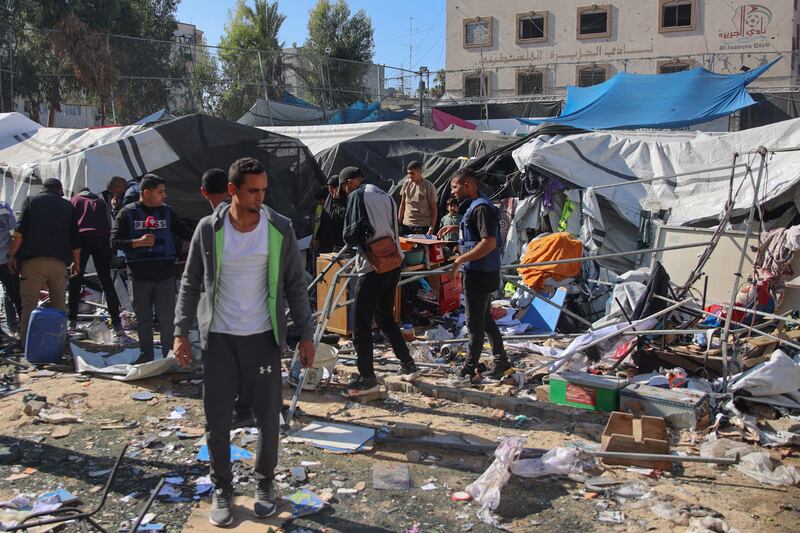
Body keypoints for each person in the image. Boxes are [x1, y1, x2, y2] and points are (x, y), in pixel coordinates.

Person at [173, 157, 315, 527]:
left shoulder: (279, 228)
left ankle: (264, 484)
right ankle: (223, 488)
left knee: (268, 417)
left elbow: (295, 285)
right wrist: (179, 332)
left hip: (263, 338)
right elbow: (190, 283)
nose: (260, 196)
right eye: (253, 190)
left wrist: (306, 333)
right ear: (232, 190)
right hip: (219, 339)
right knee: (217, 421)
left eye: (264, 190)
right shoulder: (209, 229)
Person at [340, 166, 419, 397]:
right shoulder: (384, 194)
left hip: (372, 266)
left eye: (345, 188)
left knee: (361, 324)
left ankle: (367, 377)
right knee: (385, 316)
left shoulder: (357, 195)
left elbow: (351, 233)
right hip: (393, 263)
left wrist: (355, 244)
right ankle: (408, 364)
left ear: (348, 183)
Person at [438, 168, 510, 386]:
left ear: (467, 185)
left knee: (474, 325)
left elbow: (489, 242)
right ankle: (501, 361)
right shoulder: (476, 208)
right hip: (482, 272)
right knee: (485, 321)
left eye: (455, 186)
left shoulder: (481, 208)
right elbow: (477, 234)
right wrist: (456, 226)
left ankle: (468, 372)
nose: (453, 191)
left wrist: (460, 260)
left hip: (479, 274)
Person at [111, 174, 191, 364]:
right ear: (146, 192)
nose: (164, 196)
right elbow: (114, 242)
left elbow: (185, 232)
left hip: (165, 274)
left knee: (167, 319)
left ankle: (169, 357)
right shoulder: (127, 213)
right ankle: (146, 355)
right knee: (144, 320)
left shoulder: (167, 212)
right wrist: (135, 243)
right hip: (139, 276)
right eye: (160, 192)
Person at [6, 178, 80, 348]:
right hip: (59, 264)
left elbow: (19, 233)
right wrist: (77, 263)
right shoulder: (68, 206)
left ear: (43, 189)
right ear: (60, 190)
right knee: (59, 304)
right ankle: (58, 344)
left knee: (29, 305)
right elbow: (75, 239)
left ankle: (26, 344)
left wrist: (11, 255)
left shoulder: (31, 201)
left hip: (33, 263)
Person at [67, 188, 126, 339]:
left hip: (82, 238)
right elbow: (107, 221)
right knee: (105, 281)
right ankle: (117, 324)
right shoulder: (99, 201)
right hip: (101, 239)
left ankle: (72, 320)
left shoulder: (75, 201)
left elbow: (71, 224)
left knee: (76, 278)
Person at [398, 160, 437, 236]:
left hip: (422, 227)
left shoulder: (428, 187)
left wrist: (431, 228)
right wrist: (398, 222)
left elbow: (434, 209)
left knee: (420, 248)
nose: (410, 176)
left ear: (420, 172)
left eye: (412, 173)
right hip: (406, 225)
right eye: (409, 173)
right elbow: (402, 204)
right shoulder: (407, 183)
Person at [0, 201, 21, 339]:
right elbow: (14, 233)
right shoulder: (4, 207)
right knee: (15, 295)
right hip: (5, 259)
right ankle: (23, 330)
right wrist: (13, 255)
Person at [315, 175, 347, 253]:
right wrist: (317, 237)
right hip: (325, 241)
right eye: (329, 188)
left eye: (333, 188)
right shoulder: (328, 200)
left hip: (339, 244)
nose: (331, 191)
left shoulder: (346, 200)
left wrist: (337, 202)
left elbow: (343, 216)